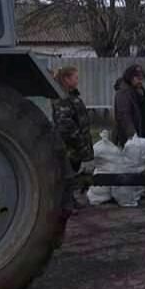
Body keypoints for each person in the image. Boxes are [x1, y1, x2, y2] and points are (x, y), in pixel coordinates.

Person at [52, 66, 94, 208]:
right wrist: (80, 143)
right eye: (75, 77)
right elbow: (65, 125)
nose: (77, 80)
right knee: (67, 177)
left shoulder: (73, 96)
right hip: (70, 147)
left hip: (76, 147)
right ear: (66, 79)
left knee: (72, 176)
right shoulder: (62, 97)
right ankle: (66, 204)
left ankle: (70, 202)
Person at [113, 64, 145, 147]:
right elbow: (124, 115)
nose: (140, 81)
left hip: (143, 134)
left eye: (142, 78)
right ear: (130, 77)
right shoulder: (124, 92)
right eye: (137, 78)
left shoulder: (139, 90)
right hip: (132, 138)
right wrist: (133, 135)